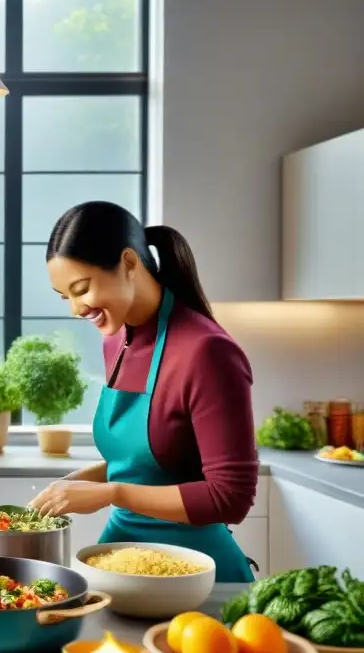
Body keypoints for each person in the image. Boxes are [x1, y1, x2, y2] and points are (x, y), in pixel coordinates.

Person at [29, 201, 257, 583]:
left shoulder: (206, 351)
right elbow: (149, 461)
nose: (74, 309)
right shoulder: (114, 339)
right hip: (120, 560)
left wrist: (112, 494)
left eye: (81, 289)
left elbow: (230, 498)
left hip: (197, 576)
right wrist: (80, 482)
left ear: (129, 263)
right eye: (63, 296)